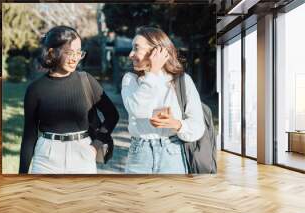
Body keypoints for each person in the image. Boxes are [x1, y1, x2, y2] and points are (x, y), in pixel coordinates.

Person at [19, 26, 119, 174]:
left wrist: (95, 146)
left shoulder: (86, 80)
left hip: (83, 153)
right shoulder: (35, 89)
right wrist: (22, 174)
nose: (75, 58)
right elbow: (29, 135)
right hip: (46, 157)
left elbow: (112, 115)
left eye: (79, 52)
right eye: (70, 52)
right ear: (52, 52)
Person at [121, 26, 205, 174]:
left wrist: (176, 124)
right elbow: (137, 109)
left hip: (173, 154)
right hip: (140, 154)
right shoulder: (130, 80)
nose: (130, 54)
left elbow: (198, 126)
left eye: (136, 48)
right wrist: (152, 72)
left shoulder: (183, 81)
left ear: (157, 51)